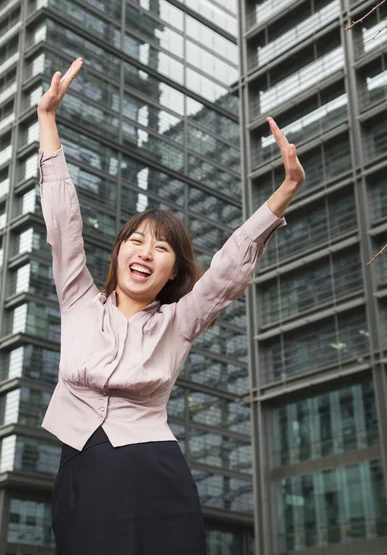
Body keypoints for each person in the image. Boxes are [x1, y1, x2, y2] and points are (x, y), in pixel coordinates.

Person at [37, 58, 305, 555]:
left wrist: (284, 191)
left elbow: (227, 270)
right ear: (117, 252)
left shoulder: (179, 321)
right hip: (81, 467)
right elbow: (62, 223)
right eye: (135, 240)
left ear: (172, 270)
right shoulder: (77, 298)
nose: (145, 252)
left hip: (154, 470)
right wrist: (47, 121)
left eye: (161, 248)